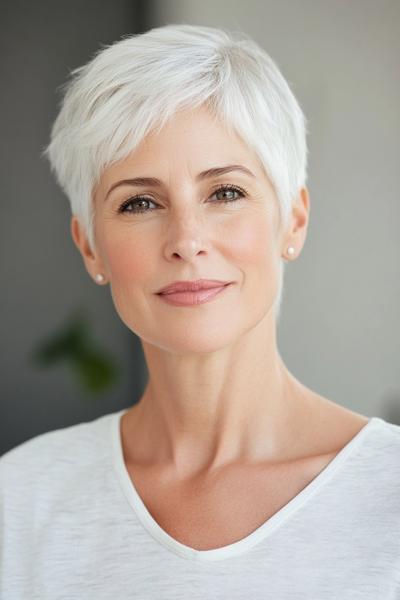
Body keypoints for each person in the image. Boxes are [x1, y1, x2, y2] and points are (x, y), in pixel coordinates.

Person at [1, 23, 399, 599]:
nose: (186, 239)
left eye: (225, 193)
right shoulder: (20, 502)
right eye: (140, 202)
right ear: (90, 246)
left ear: (293, 219)